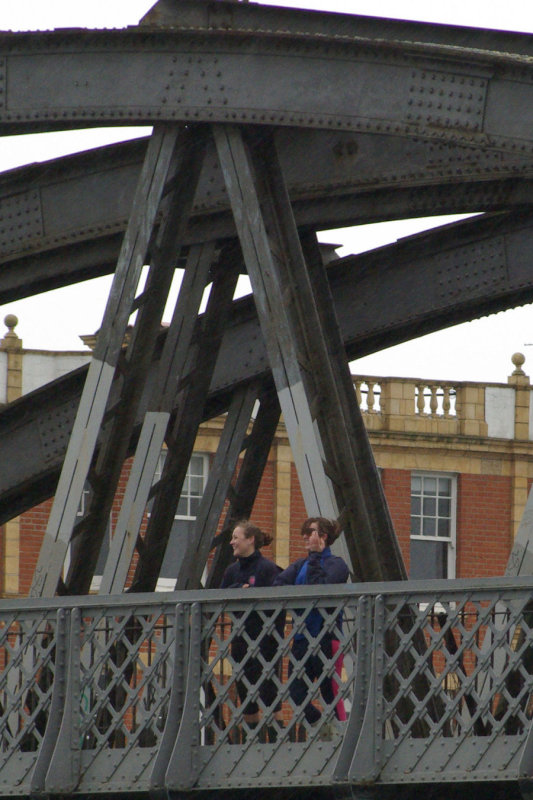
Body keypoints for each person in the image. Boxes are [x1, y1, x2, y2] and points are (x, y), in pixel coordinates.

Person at [273, 517, 349, 736]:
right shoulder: (300, 564)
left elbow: (320, 589)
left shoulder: (337, 565)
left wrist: (316, 556)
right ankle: (323, 728)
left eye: (311, 532)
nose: (305, 537)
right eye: (304, 532)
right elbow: (279, 584)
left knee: (330, 692)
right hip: (301, 638)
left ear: (323, 536)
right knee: (296, 693)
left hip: (327, 638)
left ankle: (342, 734)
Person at [221, 520, 284, 741]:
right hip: (241, 640)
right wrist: (240, 590)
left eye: (236, 537)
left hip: (266, 641)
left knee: (270, 693)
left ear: (251, 540)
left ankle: (275, 744)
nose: (232, 542)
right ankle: (251, 743)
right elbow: (221, 597)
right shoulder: (231, 571)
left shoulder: (268, 569)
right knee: (246, 695)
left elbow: (277, 603)